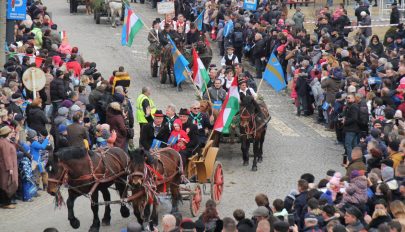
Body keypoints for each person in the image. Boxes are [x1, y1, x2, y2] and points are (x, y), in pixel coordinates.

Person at [0, 126, 18, 209]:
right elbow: (6, 156)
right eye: (11, 132)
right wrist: (10, 168)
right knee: (6, 184)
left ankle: (6, 202)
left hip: (6, 166)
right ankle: (6, 203)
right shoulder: (4, 143)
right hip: (6, 167)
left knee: (5, 184)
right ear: (7, 134)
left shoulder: (5, 141)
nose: (12, 133)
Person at [343, 93, 360, 162]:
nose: (347, 99)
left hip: (351, 129)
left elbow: (354, 118)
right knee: (354, 145)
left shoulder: (354, 106)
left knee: (348, 145)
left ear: (353, 98)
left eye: (349, 98)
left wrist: (345, 122)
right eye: (347, 98)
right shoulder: (350, 106)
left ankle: (351, 160)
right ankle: (356, 159)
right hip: (353, 129)